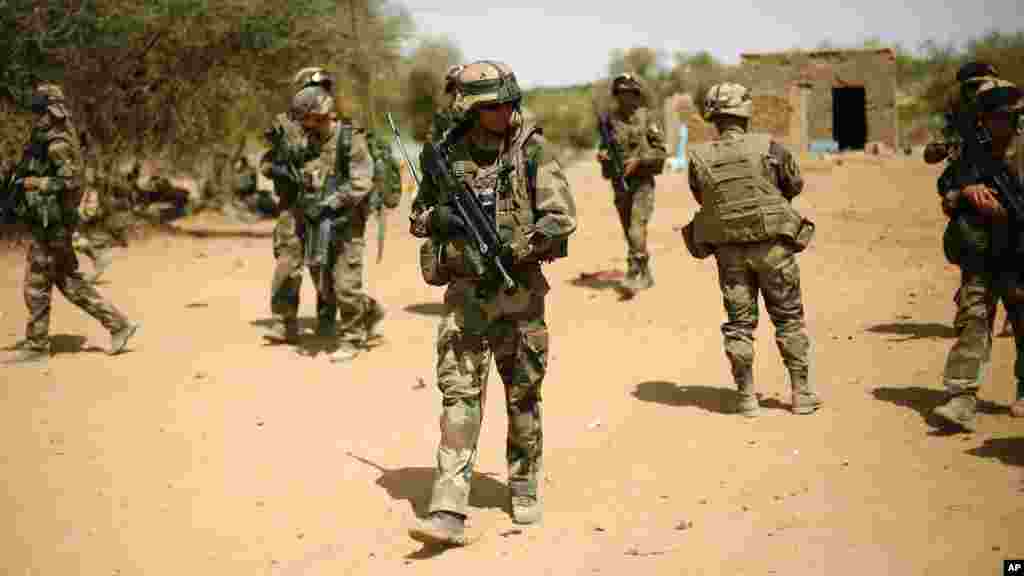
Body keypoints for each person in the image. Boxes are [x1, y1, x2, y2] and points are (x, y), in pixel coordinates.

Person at [406, 60, 577, 546]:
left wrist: (520, 245)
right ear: (472, 108)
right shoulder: (444, 154)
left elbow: (561, 217)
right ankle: (449, 505)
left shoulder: (531, 150)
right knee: (459, 398)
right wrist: (440, 218)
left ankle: (523, 484)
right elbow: (417, 215)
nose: (506, 112)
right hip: (464, 299)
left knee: (522, 394)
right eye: (494, 105)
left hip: (518, 294)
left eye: (509, 103)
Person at [682, 82, 821, 417]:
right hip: (773, 249)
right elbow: (794, 185)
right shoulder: (771, 148)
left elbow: (702, 197)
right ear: (745, 113)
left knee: (739, 324)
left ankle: (746, 398)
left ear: (713, 117)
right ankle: (801, 394)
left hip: (730, 255)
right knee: (788, 319)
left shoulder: (700, 157)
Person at [4, 83, 138, 364]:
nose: (36, 117)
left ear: (50, 112)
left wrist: (36, 183)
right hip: (51, 223)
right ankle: (118, 325)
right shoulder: (48, 137)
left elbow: (72, 182)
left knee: (37, 282)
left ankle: (37, 345)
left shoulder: (57, 143)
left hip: (53, 224)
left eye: (39, 111)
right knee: (70, 282)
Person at [933, 78, 1024, 428]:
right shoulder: (975, 149)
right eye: (995, 117)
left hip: (1019, 252)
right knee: (973, 319)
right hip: (982, 251)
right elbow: (946, 183)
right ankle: (961, 396)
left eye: (1008, 117)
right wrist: (964, 191)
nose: (1002, 123)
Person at [292, 85, 384, 362]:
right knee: (325, 284)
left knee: (345, 283)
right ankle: (370, 310)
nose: (304, 125)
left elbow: (361, 183)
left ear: (320, 114)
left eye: (307, 118)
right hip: (317, 222)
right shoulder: (309, 142)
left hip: (346, 223)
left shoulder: (349, 140)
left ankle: (352, 338)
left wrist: (331, 203)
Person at [596, 72, 668, 295]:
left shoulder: (648, 119)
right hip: (620, 184)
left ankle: (633, 271)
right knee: (630, 231)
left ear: (637, 95)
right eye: (621, 94)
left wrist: (639, 161)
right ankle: (645, 273)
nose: (625, 99)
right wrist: (603, 155)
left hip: (642, 184)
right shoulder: (610, 122)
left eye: (629, 94)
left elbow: (661, 152)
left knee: (637, 229)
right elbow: (604, 147)